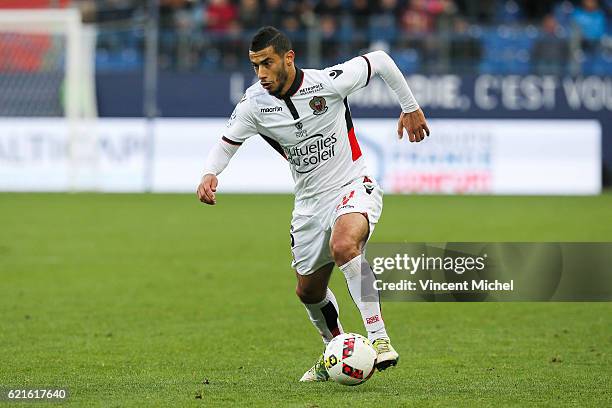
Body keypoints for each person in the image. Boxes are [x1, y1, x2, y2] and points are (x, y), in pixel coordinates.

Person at [196, 26, 429, 382]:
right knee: (308, 291)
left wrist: (410, 107)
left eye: (267, 63)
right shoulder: (254, 104)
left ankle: (380, 339)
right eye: (255, 65)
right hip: (307, 206)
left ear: (288, 58)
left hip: (352, 185)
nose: (261, 73)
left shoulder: (328, 83)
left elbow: (380, 61)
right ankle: (333, 352)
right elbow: (227, 143)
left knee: (344, 244)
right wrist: (210, 173)